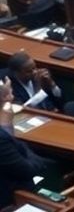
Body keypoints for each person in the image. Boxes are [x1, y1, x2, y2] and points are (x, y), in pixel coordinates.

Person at [0, 77, 49, 208]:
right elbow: (27, 170)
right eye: (9, 94)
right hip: (12, 198)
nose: (12, 97)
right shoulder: (2, 138)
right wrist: (6, 127)